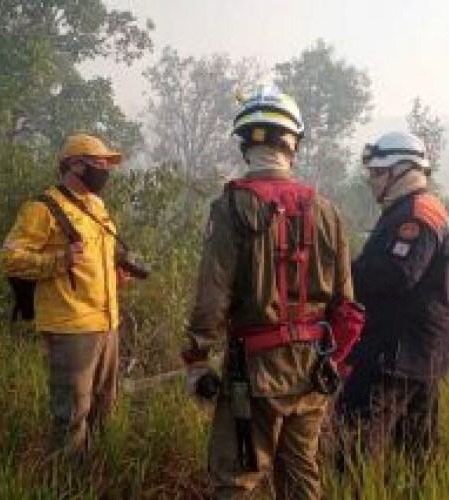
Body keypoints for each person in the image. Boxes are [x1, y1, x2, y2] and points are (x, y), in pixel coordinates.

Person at [181, 84, 361, 499]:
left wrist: (196, 359)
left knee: (236, 480)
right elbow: (347, 304)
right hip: (313, 371)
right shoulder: (328, 211)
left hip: (253, 373)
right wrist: (332, 361)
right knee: (301, 480)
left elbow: (212, 295)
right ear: (293, 144)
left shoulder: (230, 207)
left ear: (246, 144)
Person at [0, 133, 125, 457]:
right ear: (75, 165)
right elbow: (9, 258)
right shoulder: (42, 209)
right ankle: (64, 485)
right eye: (99, 164)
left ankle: (94, 477)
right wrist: (59, 260)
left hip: (107, 322)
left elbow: (95, 258)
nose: (105, 171)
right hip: (71, 326)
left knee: (103, 407)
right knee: (71, 415)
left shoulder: (96, 205)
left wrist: (114, 275)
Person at [337, 131, 449, 467]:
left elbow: (397, 273)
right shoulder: (410, 209)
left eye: (378, 172)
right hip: (416, 357)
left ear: (403, 170)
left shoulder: (417, 213)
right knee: (414, 463)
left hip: (393, 358)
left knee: (354, 457)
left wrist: (339, 275)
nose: (372, 181)